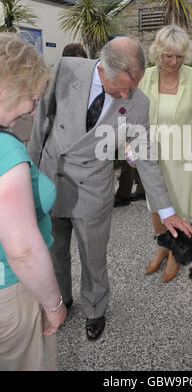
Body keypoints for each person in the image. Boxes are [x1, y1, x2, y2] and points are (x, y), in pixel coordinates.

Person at [28, 35, 192, 341]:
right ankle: (60, 300)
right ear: (102, 70)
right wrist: (31, 175)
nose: (126, 93)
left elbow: (144, 155)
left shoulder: (138, 102)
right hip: (51, 175)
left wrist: (167, 210)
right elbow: (42, 122)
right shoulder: (66, 68)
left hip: (92, 185)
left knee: (93, 257)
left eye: (132, 86)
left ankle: (95, 309)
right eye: (121, 86)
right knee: (54, 249)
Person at [0, 33, 66, 371]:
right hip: (9, 291)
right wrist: (53, 303)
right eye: (33, 97)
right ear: (9, 85)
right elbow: (22, 248)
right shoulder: (6, 150)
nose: (33, 108)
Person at [139, 25, 192, 283]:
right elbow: (135, 113)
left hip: (182, 149)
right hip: (153, 151)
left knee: (179, 204)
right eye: (168, 56)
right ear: (158, 53)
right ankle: (162, 247)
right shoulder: (146, 76)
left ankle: (175, 253)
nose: (173, 62)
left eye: (179, 56)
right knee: (155, 204)